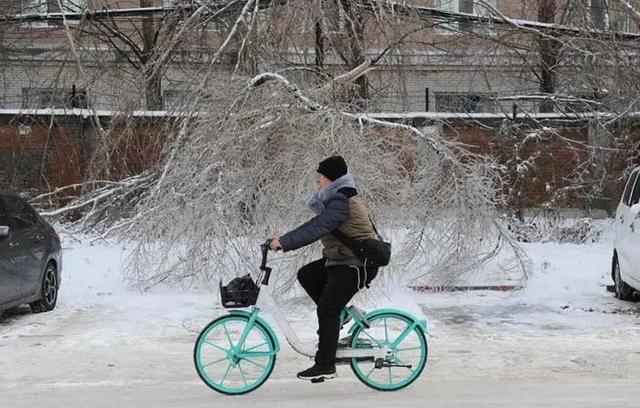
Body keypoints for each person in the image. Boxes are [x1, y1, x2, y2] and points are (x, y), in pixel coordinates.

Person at [269, 155, 378, 381]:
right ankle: (339, 318)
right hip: (343, 260)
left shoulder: (342, 200)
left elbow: (318, 226)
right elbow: (316, 225)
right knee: (308, 275)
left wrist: (284, 242)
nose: (318, 181)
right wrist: (282, 239)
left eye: (322, 177)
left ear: (333, 179)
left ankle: (326, 365)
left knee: (326, 309)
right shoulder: (337, 198)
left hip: (357, 264)